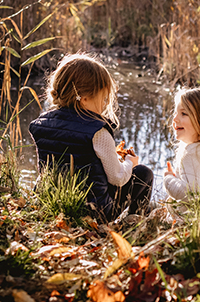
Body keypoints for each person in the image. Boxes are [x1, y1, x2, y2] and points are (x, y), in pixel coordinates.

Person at [29, 53, 153, 220]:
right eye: (103, 99)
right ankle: (135, 222)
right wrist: (130, 163)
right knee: (143, 173)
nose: (104, 105)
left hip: (53, 203)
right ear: (85, 99)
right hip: (94, 211)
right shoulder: (98, 132)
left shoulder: (41, 124)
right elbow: (117, 178)